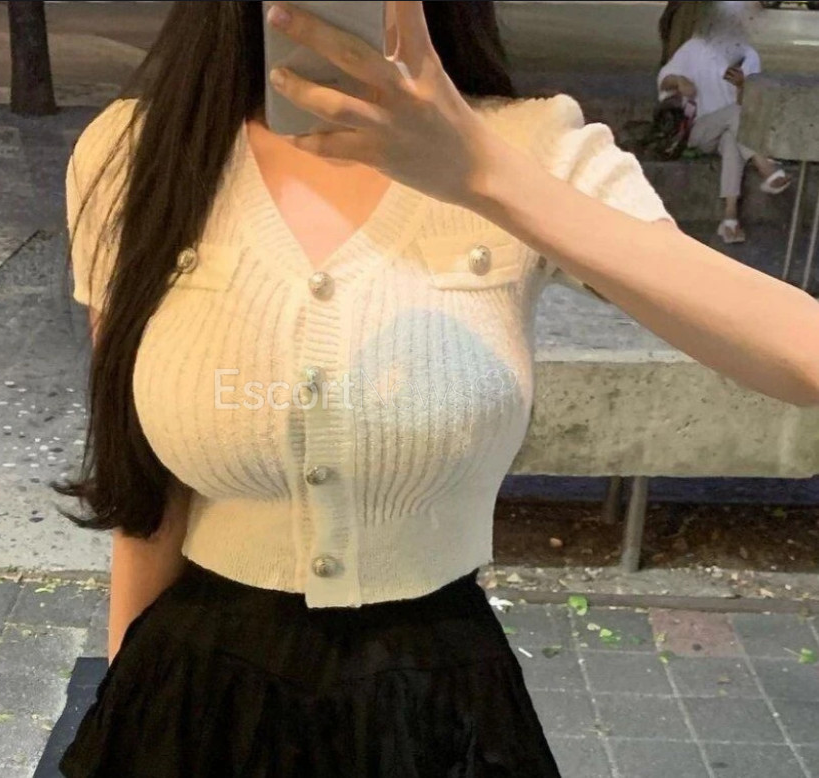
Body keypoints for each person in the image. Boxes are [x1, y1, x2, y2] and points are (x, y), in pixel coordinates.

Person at [52, 2, 819, 776]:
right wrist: (120, 709)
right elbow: (145, 496)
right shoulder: (134, 151)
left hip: (436, 718)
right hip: (189, 706)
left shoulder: (530, 145)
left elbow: (803, 355)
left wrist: (483, 174)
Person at [658, 0, 792, 244]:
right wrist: (679, 80)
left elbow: (750, 105)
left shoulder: (749, 56)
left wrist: (742, 85)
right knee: (734, 115)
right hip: (700, 129)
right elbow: (664, 80)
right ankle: (766, 167)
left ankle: (729, 219)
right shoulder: (694, 48)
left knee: (733, 140)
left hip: (732, 131)